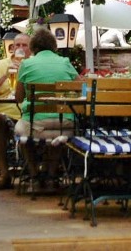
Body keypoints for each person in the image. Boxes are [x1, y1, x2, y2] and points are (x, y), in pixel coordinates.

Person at [14, 29, 79, 182]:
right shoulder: (65, 62)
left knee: (20, 132)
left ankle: (34, 173)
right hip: (65, 126)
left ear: (33, 47)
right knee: (56, 136)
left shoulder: (26, 64)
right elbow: (81, 87)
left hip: (35, 127)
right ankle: (51, 176)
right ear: (54, 45)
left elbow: (18, 98)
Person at [0, 32, 31, 190]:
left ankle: (33, 173)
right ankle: (4, 174)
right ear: (12, 48)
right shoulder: (1, 65)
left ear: (31, 49)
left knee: (31, 123)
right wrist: (4, 76)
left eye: (24, 45)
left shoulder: (35, 65)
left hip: (28, 112)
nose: (20, 49)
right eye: (17, 45)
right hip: (5, 110)